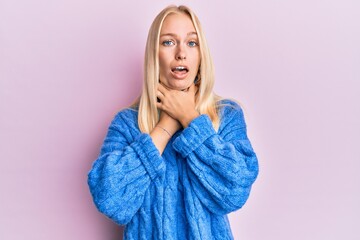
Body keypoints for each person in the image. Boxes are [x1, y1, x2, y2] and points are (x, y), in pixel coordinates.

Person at [88, 5, 259, 240]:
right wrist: (165, 126)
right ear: (153, 55)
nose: (181, 53)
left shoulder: (226, 116)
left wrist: (191, 119)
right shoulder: (127, 124)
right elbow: (110, 199)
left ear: (201, 55)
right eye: (168, 42)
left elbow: (235, 191)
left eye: (192, 42)